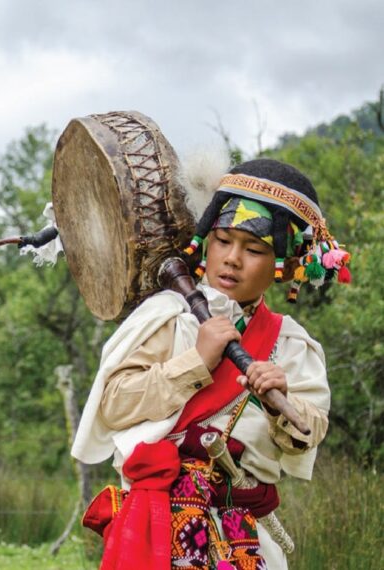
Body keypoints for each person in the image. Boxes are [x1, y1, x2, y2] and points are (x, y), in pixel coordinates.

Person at [72, 158, 345, 569]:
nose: (232, 258)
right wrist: (196, 361)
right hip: (155, 528)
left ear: (284, 266)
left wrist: (278, 406)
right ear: (205, 243)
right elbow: (113, 403)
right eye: (222, 241)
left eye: (254, 249)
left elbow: (310, 431)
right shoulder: (167, 315)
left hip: (247, 539)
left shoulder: (291, 344)